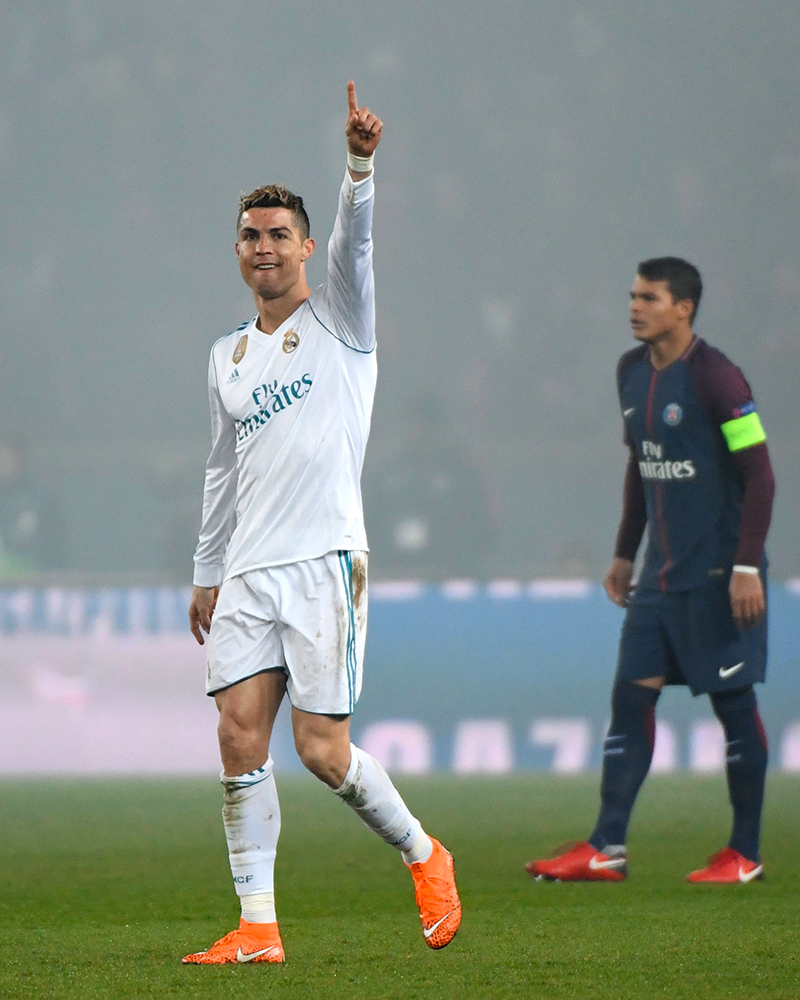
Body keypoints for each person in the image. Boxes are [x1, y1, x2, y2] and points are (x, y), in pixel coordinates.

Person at [182, 82, 461, 966]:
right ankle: (258, 927)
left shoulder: (342, 318)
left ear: (305, 247)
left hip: (324, 561)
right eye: (250, 236)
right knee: (235, 736)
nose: (263, 248)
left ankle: (425, 853)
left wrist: (358, 167)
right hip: (250, 570)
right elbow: (222, 470)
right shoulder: (226, 357)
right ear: (238, 250)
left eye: (278, 235)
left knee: (323, 753)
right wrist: (206, 570)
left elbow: (360, 241)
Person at [526, 257, 775, 885]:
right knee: (629, 698)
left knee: (733, 704)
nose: (635, 306)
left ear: (684, 307)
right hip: (659, 577)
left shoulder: (718, 378)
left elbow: (761, 474)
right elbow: (643, 466)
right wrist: (621, 552)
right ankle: (606, 846)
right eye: (633, 295)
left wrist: (746, 565)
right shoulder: (630, 373)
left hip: (719, 575)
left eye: (650, 297)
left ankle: (744, 852)